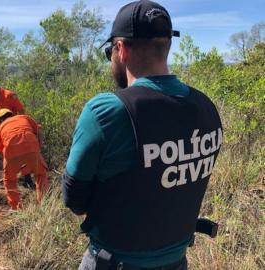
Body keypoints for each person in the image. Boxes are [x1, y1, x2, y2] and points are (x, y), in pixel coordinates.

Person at [62, 1, 223, 269]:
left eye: (109, 52)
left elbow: (74, 199)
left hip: (114, 262)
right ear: (166, 46)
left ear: (121, 49)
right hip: (177, 261)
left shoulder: (107, 111)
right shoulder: (206, 107)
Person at [0, 109, 48, 210]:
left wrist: (13, 168)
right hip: (32, 147)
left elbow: (1, 151)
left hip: (11, 153)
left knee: (9, 180)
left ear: (0, 121)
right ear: (12, 114)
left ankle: (16, 208)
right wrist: (37, 150)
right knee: (40, 174)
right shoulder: (24, 117)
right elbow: (38, 131)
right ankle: (43, 204)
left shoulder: (0, 128)